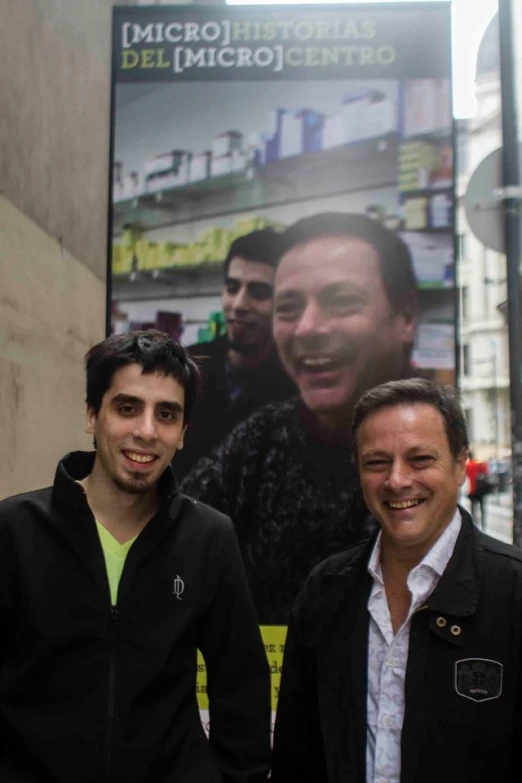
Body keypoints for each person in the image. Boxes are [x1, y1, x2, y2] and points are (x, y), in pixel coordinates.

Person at [0, 330, 270, 783]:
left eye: (166, 414)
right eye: (127, 408)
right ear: (92, 415)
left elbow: (241, 689)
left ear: (183, 434)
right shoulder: (14, 528)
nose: (146, 431)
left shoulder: (208, 538)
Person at [271, 378, 522, 783]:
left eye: (420, 459)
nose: (397, 480)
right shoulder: (325, 591)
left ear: (461, 465)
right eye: (376, 462)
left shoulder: (513, 591)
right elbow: (296, 757)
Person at [182, 213, 418, 623]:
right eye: (288, 308)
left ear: (405, 318)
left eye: (342, 301)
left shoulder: (438, 441)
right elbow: (167, 547)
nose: (307, 328)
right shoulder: (259, 438)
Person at [174, 228, 296, 480]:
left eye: (259, 292)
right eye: (232, 288)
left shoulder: (297, 389)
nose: (239, 305)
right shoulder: (185, 367)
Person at [465, 450, 491, 530]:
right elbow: (487, 472)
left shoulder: (468, 466)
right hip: (481, 490)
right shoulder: (480, 464)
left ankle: (474, 525)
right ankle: (484, 525)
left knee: (473, 509)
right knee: (482, 508)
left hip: (473, 490)